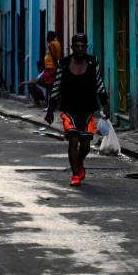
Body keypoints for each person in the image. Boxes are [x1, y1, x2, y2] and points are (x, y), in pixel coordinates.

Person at [44, 34, 110, 187]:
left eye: (83, 46)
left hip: (88, 108)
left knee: (86, 145)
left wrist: (105, 104)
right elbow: (56, 86)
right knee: (73, 139)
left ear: (86, 46)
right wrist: (50, 110)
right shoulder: (64, 64)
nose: (80, 49)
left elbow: (99, 83)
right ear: (72, 47)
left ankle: (79, 163)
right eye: (77, 46)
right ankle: (75, 174)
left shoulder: (93, 62)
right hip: (69, 108)